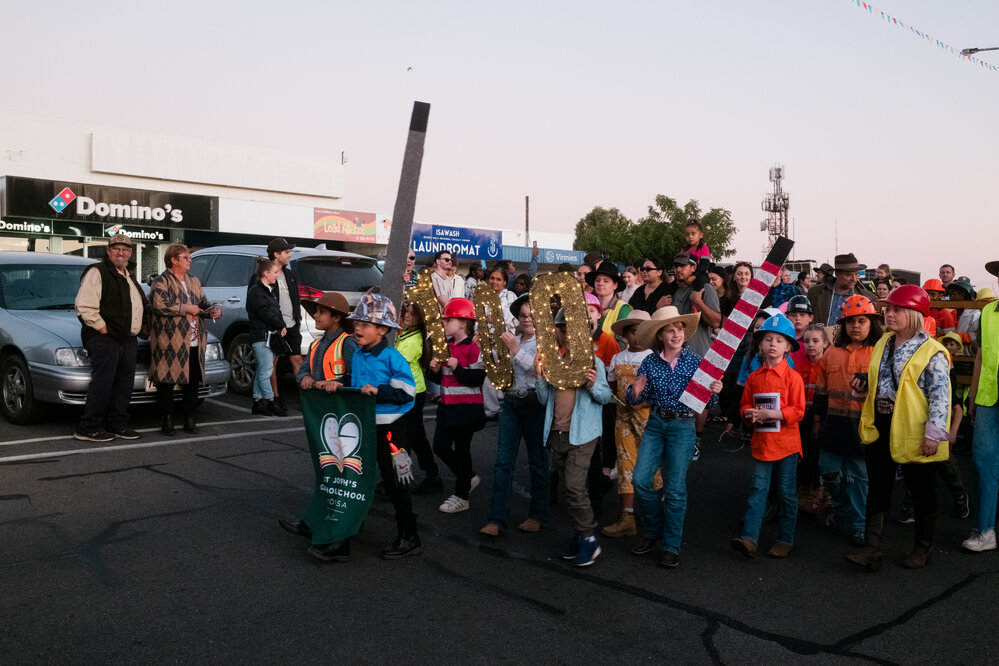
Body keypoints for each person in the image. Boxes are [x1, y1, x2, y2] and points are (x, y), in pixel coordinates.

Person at [846, 285, 951, 570]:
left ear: (915, 314)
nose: (888, 314)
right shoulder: (884, 342)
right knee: (878, 485)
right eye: (888, 309)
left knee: (921, 487)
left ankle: (923, 547)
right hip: (881, 422)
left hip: (915, 427)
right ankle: (872, 549)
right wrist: (865, 386)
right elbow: (883, 379)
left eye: (897, 310)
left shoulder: (934, 352)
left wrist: (933, 435)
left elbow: (940, 396)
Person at [628, 306, 723, 568]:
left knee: (675, 489)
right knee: (640, 481)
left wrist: (715, 390)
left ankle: (670, 544)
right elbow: (637, 398)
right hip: (656, 422)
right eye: (669, 330)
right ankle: (654, 528)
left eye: (679, 329)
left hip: (683, 426)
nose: (676, 334)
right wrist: (634, 391)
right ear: (660, 335)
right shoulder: (648, 362)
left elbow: (710, 404)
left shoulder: (695, 361)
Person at [278, 291, 358, 560]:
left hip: (344, 419)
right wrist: (307, 377)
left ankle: (339, 535)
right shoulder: (316, 344)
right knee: (326, 473)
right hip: (323, 419)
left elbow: (354, 376)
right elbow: (303, 371)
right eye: (317, 311)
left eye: (322, 312)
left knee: (342, 477)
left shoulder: (347, 343)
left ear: (336, 317)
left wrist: (339, 383)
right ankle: (315, 523)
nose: (316, 315)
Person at [535, 307, 613, 567]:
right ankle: (580, 534)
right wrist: (539, 378)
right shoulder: (554, 361)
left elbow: (605, 397)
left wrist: (592, 385)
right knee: (570, 491)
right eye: (563, 328)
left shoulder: (593, 361)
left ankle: (589, 539)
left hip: (583, 434)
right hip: (557, 433)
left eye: (573, 328)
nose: (568, 333)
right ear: (557, 332)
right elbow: (544, 400)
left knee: (574, 487)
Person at [347, 291, 421, 560]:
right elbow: (353, 385)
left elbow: (408, 392)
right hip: (365, 427)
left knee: (394, 483)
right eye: (356, 323)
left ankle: (409, 536)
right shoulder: (357, 355)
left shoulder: (393, 357)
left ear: (382, 330)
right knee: (360, 478)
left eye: (364, 324)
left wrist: (378, 391)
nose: (357, 328)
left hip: (392, 430)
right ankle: (353, 522)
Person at [731, 313, 806, 559]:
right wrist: (748, 414)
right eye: (768, 339)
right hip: (762, 444)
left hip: (786, 445)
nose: (773, 344)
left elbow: (799, 411)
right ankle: (749, 538)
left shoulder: (793, 378)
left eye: (779, 341)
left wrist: (774, 414)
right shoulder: (754, 377)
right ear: (761, 344)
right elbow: (743, 405)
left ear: (788, 348)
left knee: (785, 492)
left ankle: (785, 539)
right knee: (757, 490)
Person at [813, 296, 882, 546]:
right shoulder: (831, 352)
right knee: (830, 473)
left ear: (871, 323)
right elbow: (820, 391)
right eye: (850, 321)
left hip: (863, 428)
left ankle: (860, 525)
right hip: (833, 425)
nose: (856, 326)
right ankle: (841, 513)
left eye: (862, 321)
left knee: (858, 478)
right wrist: (817, 423)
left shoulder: (879, 353)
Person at [480, 294, 549, 536]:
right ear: (517, 318)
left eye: (531, 315)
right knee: (502, 463)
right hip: (510, 401)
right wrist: (486, 348)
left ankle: (538, 514)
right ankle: (496, 519)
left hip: (534, 402)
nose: (527, 319)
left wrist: (515, 348)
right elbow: (491, 364)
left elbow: (539, 368)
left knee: (538, 461)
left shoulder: (544, 340)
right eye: (523, 316)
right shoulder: (512, 338)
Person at [73, 233, 150, 442]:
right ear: (108, 251)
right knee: (103, 383)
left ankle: (117, 425)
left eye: (125, 249)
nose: (121, 252)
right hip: (104, 338)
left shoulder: (128, 274)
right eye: (116, 248)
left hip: (127, 338)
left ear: (130, 253)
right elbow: (84, 306)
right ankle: (88, 428)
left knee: (124, 384)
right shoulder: (97, 272)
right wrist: (103, 329)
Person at [148, 243, 221, 436]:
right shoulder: (161, 281)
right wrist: (185, 309)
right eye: (186, 257)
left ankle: (190, 418)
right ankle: (167, 419)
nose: (190, 260)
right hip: (170, 341)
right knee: (166, 382)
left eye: (189, 257)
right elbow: (159, 305)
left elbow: (203, 303)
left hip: (194, 340)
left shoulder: (194, 281)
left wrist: (213, 309)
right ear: (173, 260)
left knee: (192, 382)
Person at [429, 297, 486, 514]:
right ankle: (468, 477)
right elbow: (440, 380)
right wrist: (434, 370)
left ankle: (462, 495)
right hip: (447, 406)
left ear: (463, 322)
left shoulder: (473, 348)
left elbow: (477, 378)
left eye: (448, 320)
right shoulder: (446, 346)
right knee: (440, 447)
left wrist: (457, 368)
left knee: (462, 451)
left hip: (467, 409)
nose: (444, 324)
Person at [601, 310, 654, 538]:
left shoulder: (654, 358)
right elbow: (611, 387)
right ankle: (627, 517)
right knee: (625, 465)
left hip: (649, 418)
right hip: (623, 418)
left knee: (654, 467)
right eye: (633, 332)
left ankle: (656, 515)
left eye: (642, 332)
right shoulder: (617, 358)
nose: (637, 337)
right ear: (625, 334)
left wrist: (643, 403)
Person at [963, 259, 999, 552]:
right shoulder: (988, 311)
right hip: (989, 399)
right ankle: (985, 530)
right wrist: (973, 398)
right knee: (982, 462)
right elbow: (979, 357)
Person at [671, 252, 722, 457]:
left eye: (683, 266)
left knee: (700, 400)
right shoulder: (674, 291)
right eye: (676, 266)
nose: (678, 269)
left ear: (693, 268)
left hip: (701, 351)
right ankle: (681, 439)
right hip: (676, 354)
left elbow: (717, 322)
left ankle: (697, 442)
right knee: (679, 398)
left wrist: (699, 303)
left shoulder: (705, 289)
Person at [394, 301, 442, 495]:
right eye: (407, 312)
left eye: (412, 314)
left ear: (420, 318)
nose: (407, 315)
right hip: (410, 390)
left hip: (410, 391)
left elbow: (397, 364)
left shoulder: (414, 339)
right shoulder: (407, 333)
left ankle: (400, 480)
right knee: (415, 437)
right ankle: (431, 476)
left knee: (405, 437)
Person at [796, 323, 829, 518]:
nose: (810, 345)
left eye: (816, 341)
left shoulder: (828, 367)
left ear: (825, 343)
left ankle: (822, 494)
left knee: (821, 457)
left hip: (823, 418)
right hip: (802, 417)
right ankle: (806, 493)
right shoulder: (798, 367)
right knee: (805, 456)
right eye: (806, 341)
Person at [266, 238, 302, 417]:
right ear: (276, 254)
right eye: (286, 252)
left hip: (292, 324)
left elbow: (295, 298)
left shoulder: (290, 275)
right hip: (274, 326)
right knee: (272, 361)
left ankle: (304, 397)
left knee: (297, 359)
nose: (290, 255)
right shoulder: (265, 274)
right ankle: (276, 397)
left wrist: (298, 318)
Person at [247, 257, 286, 415]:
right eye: (275, 272)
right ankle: (270, 401)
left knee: (262, 369)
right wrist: (280, 324)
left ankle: (257, 402)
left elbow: (275, 311)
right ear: (266, 273)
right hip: (261, 336)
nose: (278, 275)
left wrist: (281, 324)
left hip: (266, 336)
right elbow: (264, 313)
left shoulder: (267, 290)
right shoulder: (257, 291)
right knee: (266, 370)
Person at [807, 253, 876, 326]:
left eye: (856, 274)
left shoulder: (867, 298)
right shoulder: (814, 293)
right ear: (837, 273)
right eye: (849, 275)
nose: (854, 279)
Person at [586, 262, 632, 339]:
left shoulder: (623, 308)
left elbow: (622, 343)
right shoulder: (587, 304)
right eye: (597, 280)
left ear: (615, 285)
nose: (600, 283)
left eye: (606, 281)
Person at [486, 266, 518, 334]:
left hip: (505, 338)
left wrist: (493, 319)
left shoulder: (510, 296)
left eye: (498, 279)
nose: (494, 282)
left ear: (504, 282)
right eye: (492, 278)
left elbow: (510, 320)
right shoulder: (484, 297)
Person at [785, 295, 813, 368]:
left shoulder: (817, 338)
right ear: (787, 317)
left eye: (802, 315)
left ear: (810, 317)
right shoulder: (781, 338)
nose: (798, 318)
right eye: (793, 315)